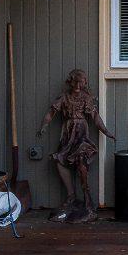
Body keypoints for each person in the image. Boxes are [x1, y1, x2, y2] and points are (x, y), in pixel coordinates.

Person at [41, 69, 114, 222]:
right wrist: (44, 126)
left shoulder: (86, 98)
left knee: (82, 162)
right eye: (76, 81)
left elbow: (95, 117)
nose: (78, 85)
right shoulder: (64, 98)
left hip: (81, 132)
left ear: (84, 83)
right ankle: (71, 196)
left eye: (81, 82)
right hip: (68, 133)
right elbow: (51, 113)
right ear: (71, 81)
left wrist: (106, 131)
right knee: (60, 160)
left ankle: (87, 199)